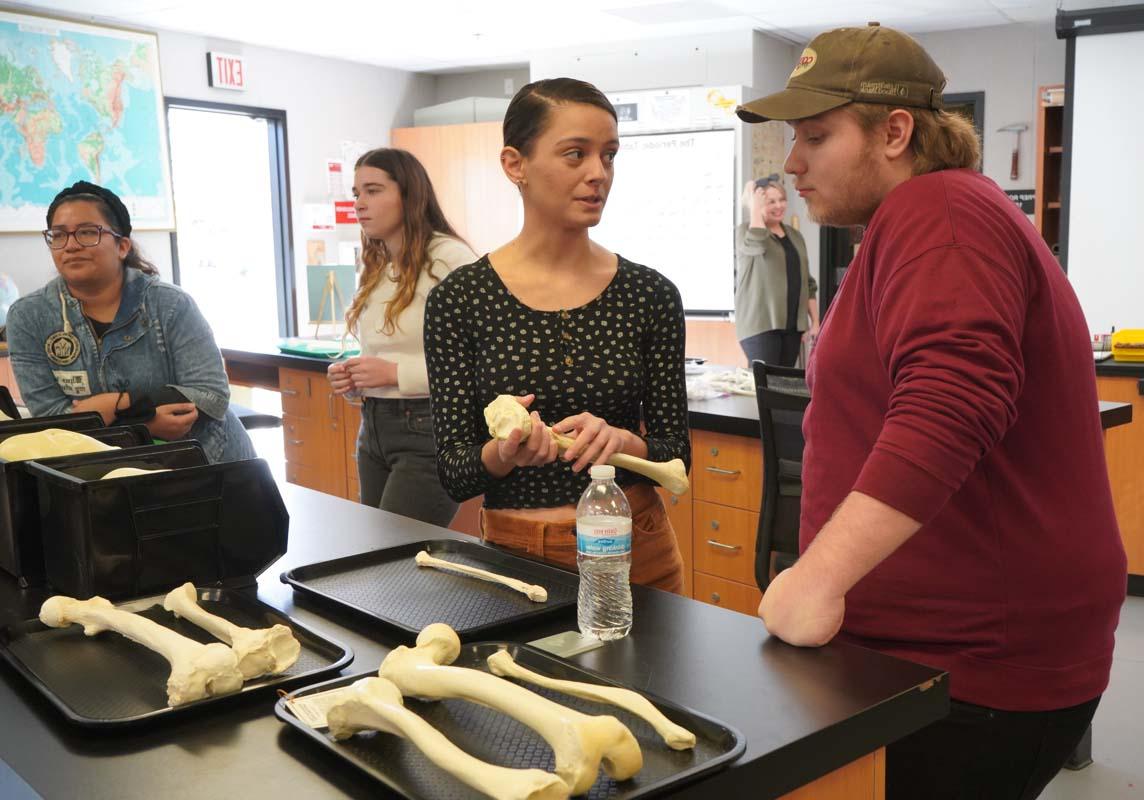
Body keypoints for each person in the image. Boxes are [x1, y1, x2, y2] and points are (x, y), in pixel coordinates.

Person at [737, 24, 1126, 800]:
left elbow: (950, 404)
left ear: (895, 131)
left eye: (816, 135)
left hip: (972, 664)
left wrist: (818, 578)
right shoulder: (921, 220)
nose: (792, 162)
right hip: (944, 648)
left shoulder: (939, 212)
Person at [424, 78, 689, 593]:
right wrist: (504, 454)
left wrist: (625, 441)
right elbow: (455, 469)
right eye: (575, 155)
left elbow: (675, 448)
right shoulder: (461, 300)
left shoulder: (650, 294)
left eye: (608, 156)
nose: (598, 174)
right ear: (514, 164)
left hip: (637, 548)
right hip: (519, 560)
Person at [7, 181, 254, 464]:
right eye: (59, 235)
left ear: (122, 246)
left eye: (88, 232)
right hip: (103, 474)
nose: (71, 245)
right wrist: (140, 421)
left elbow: (211, 396)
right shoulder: (28, 317)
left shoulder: (170, 305)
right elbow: (51, 420)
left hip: (209, 463)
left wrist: (112, 406)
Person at [326, 148, 477, 526]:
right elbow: (381, 352)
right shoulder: (378, 263)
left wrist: (394, 374)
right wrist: (351, 378)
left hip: (428, 430)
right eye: (356, 192)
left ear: (409, 195)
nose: (359, 203)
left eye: (373, 190)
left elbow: (481, 364)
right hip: (374, 425)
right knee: (375, 554)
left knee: (398, 557)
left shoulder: (449, 258)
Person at [735, 174, 819, 366]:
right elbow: (756, 244)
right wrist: (754, 206)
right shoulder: (746, 232)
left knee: (782, 387)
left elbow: (808, 282)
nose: (779, 206)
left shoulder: (795, 236)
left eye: (782, 199)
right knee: (764, 386)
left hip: (793, 326)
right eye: (770, 201)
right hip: (760, 325)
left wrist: (814, 322)